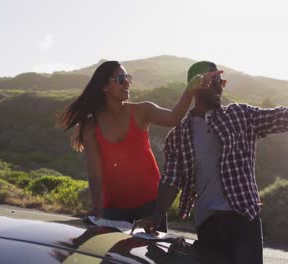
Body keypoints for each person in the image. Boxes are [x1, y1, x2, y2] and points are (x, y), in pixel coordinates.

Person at [143, 61, 288, 263]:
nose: (220, 86)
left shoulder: (240, 115)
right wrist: (156, 215)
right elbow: (171, 180)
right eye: (213, 80)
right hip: (207, 224)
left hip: (244, 220)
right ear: (195, 84)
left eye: (221, 81)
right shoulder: (179, 134)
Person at [57, 61, 220, 231]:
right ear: (104, 87)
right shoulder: (90, 127)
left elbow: (173, 118)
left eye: (128, 78)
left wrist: (190, 90)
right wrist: (98, 209)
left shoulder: (142, 111)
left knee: (148, 257)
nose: (127, 82)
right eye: (120, 78)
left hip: (150, 208)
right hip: (113, 210)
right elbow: (95, 174)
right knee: (114, 257)